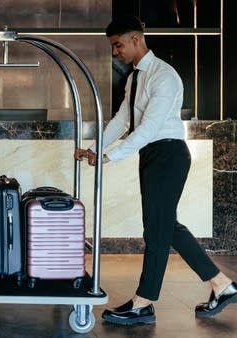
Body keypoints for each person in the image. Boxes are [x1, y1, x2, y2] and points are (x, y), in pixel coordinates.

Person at [74, 15, 236, 326]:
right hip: (152, 155)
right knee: (165, 226)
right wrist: (94, 150)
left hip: (168, 154)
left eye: (118, 45)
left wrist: (111, 157)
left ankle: (143, 303)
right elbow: (122, 121)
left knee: (157, 232)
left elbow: (148, 128)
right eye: (112, 46)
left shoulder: (165, 76)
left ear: (136, 39)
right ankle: (221, 285)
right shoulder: (135, 78)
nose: (115, 52)